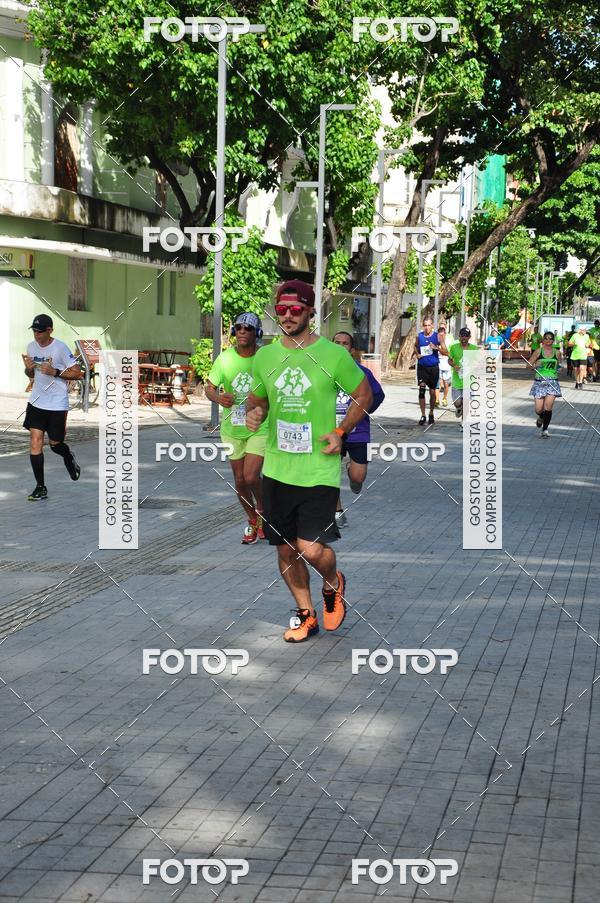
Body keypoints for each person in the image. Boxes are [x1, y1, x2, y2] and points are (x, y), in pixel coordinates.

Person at [245, 280, 372, 643]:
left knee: (311, 548)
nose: (286, 315)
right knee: (285, 548)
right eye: (280, 309)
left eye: (295, 309)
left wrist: (342, 430)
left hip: (318, 468)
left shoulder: (334, 355)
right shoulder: (265, 356)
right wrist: (254, 413)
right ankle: (305, 614)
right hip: (277, 470)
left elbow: (363, 393)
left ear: (311, 312)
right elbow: (257, 400)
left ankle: (333, 582)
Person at [205, 312, 267, 544]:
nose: (242, 331)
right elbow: (209, 387)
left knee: (251, 476)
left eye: (248, 328)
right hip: (232, 428)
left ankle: (262, 509)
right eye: (238, 327)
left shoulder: (264, 359)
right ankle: (253, 519)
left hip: (260, 426)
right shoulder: (224, 359)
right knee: (240, 480)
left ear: (257, 333)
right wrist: (219, 398)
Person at [22, 314, 83, 500]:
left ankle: (68, 457)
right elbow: (29, 373)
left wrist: (55, 372)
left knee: (55, 445)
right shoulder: (31, 347)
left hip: (57, 403)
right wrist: (29, 369)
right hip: (37, 401)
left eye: (39, 331)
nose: (36, 335)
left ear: (50, 330)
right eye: (34, 330)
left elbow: (78, 373)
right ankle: (40, 487)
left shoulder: (60, 348)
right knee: (35, 441)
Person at [332, 331, 385, 527]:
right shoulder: (323, 371)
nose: (340, 346)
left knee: (358, 477)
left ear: (351, 349)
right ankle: (337, 511)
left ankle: (351, 472)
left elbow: (378, 395)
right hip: (331, 431)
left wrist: (362, 412)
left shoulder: (363, 373)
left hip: (358, 432)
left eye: (345, 343)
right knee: (329, 473)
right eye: (337, 342)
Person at [527, 331, 562, 437]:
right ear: (543, 340)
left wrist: (559, 369)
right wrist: (535, 365)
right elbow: (528, 366)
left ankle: (545, 430)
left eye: (550, 339)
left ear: (553, 340)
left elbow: (558, 366)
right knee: (538, 409)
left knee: (548, 407)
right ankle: (541, 417)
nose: (548, 341)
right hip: (539, 382)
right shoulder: (538, 351)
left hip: (552, 382)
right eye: (546, 338)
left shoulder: (557, 353)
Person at [446, 327, 478, 430]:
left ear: (469, 337)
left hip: (469, 381)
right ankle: (458, 409)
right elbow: (449, 360)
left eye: (466, 335)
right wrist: (454, 366)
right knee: (457, 403)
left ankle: (463, 423)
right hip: (457, 381)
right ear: (459, 336)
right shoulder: (454, 347)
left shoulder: (474, 348)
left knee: (466, 402)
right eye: (462, 335)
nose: (464, 337)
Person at [414, 317, 441, 425]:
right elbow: (415, 346)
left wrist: (436, 348)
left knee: (432, 392)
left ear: (432, 326)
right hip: (422, 367)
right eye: (425, 325)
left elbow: (445, 351)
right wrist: (417, 354)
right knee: (421, 389)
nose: (427, 327)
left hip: (433, 367)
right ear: (423, 326)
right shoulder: (419, 336)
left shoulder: (437, 336)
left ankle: (431, 413)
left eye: (429, 325)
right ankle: (423, 415)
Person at [436, 324, 453, 407]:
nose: (441, 337)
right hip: (438, 364)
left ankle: (445, 398)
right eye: (439, 335)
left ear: (445, 334)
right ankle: (436, 399)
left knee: (446, 384)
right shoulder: (435, 342)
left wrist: (439, 349)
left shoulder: (449, 342)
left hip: (446, 364)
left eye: (442, 335)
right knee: (438, 383)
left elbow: (449, 353)